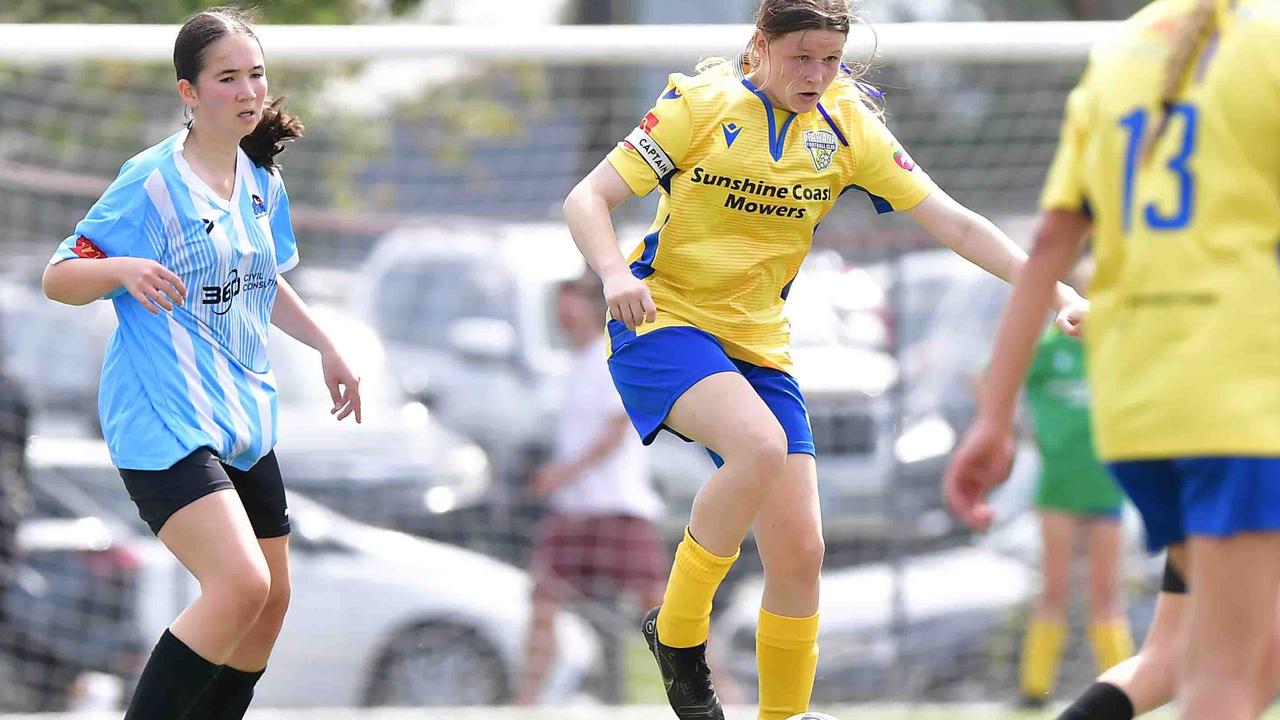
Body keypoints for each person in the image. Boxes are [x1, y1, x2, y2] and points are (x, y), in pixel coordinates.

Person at [561, 1, 1086, 717]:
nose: (817, 74)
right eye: (802, 57)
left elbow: (956, 222)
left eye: (830, 60)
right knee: (758, 445)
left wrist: (1056, 292)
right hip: (663, 321)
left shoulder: (846, 126)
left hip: (759, 347)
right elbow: (586, 198)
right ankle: (678, 635)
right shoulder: (701, 104)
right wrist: (613, 275)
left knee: (802, 550)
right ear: (760, 46)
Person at [944, 1, 1280, 719]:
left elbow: (1052, 244)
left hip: (1144, 403)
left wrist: (995, 417)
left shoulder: (1120, 54)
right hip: (1240, 397)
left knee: (1181, 652)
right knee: (1229, 674)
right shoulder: (1268, 42)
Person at [40, 7, 362, 719]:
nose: (248, 90)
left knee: (270, 603)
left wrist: (328, 346)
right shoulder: (151, 180)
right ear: (189, 92)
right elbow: (59, 276)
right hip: (163, 418)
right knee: (240, 586)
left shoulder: (261, 182)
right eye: (227, 78)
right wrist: (122, 267)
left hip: (242, 417)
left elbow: (264, 279)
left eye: (256, 74)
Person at [516, 273, 667, 705]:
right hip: (573, 512)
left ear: (593, 308)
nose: (564, 314)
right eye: (560, 306)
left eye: (573, 304)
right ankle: (525, 702)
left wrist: (563, 473)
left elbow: (617, 429)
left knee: (661, 612)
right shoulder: (570, 366)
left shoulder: (611, 358)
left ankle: (718, 696)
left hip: (617, 508)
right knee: (543, 600)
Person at [1016, 260, 1133, 708]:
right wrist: (1019, 432)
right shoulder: (1049, 347)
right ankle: (1033, 692)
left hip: (1106, 481)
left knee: (1107, 593)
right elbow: (996, 376)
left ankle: (1120, 691)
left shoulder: (1120, 349)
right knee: (1054, 588)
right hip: (1059, 484)